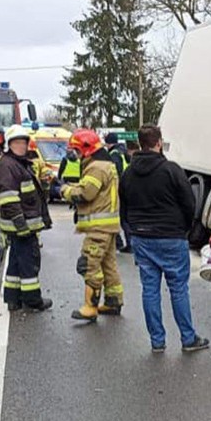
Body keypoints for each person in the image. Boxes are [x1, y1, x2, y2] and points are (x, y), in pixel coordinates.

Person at [120, 124, 209, 353]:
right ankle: (188, 339)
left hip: (141, 236)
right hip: (171, 236)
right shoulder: (171, 170)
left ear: (140, 144)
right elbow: (189, 203)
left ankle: (157, 341)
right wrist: (184, 229)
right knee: (178, 288)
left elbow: (124, 206)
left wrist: (131, 232)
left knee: (150, 289)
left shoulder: (128, 173)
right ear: (158, 142)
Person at [62, 129, 124, 322]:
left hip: (99, 228)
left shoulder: (96, 167)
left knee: (89, 264)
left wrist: (64, 190)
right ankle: (114, 301)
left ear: (87, 149)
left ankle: (90, 307)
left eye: (77, 150)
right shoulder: (105, 164)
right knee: (108, 265)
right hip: (109, 226)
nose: (75, 154)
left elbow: (85, 193)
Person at [0, 125, 52, 312]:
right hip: (22, 225)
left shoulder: (18, 163)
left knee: (16, 262)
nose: (21, 146)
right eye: (16, 142)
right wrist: (21, 224)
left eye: (23, 142)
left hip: (22, 224)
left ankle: (13, 299)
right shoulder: (8, 165)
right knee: (29, 263)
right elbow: (8, 199)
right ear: (8, 144)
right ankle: (33, 300)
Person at [105, 132, 132, 253]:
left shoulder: (114, 154)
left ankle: (124, 243)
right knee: (125, 217)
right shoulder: (124, 152)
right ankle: (127, 243)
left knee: (117, 217)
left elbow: (114, 173)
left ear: (109, 143)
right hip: (128, 186)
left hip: (118, 188)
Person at [27, 140, 53, 230]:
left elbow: (45, 173)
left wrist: (47, 177)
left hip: (34, 189)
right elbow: (45, 172)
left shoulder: (21, 161)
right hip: (36, 189)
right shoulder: (38, 161)